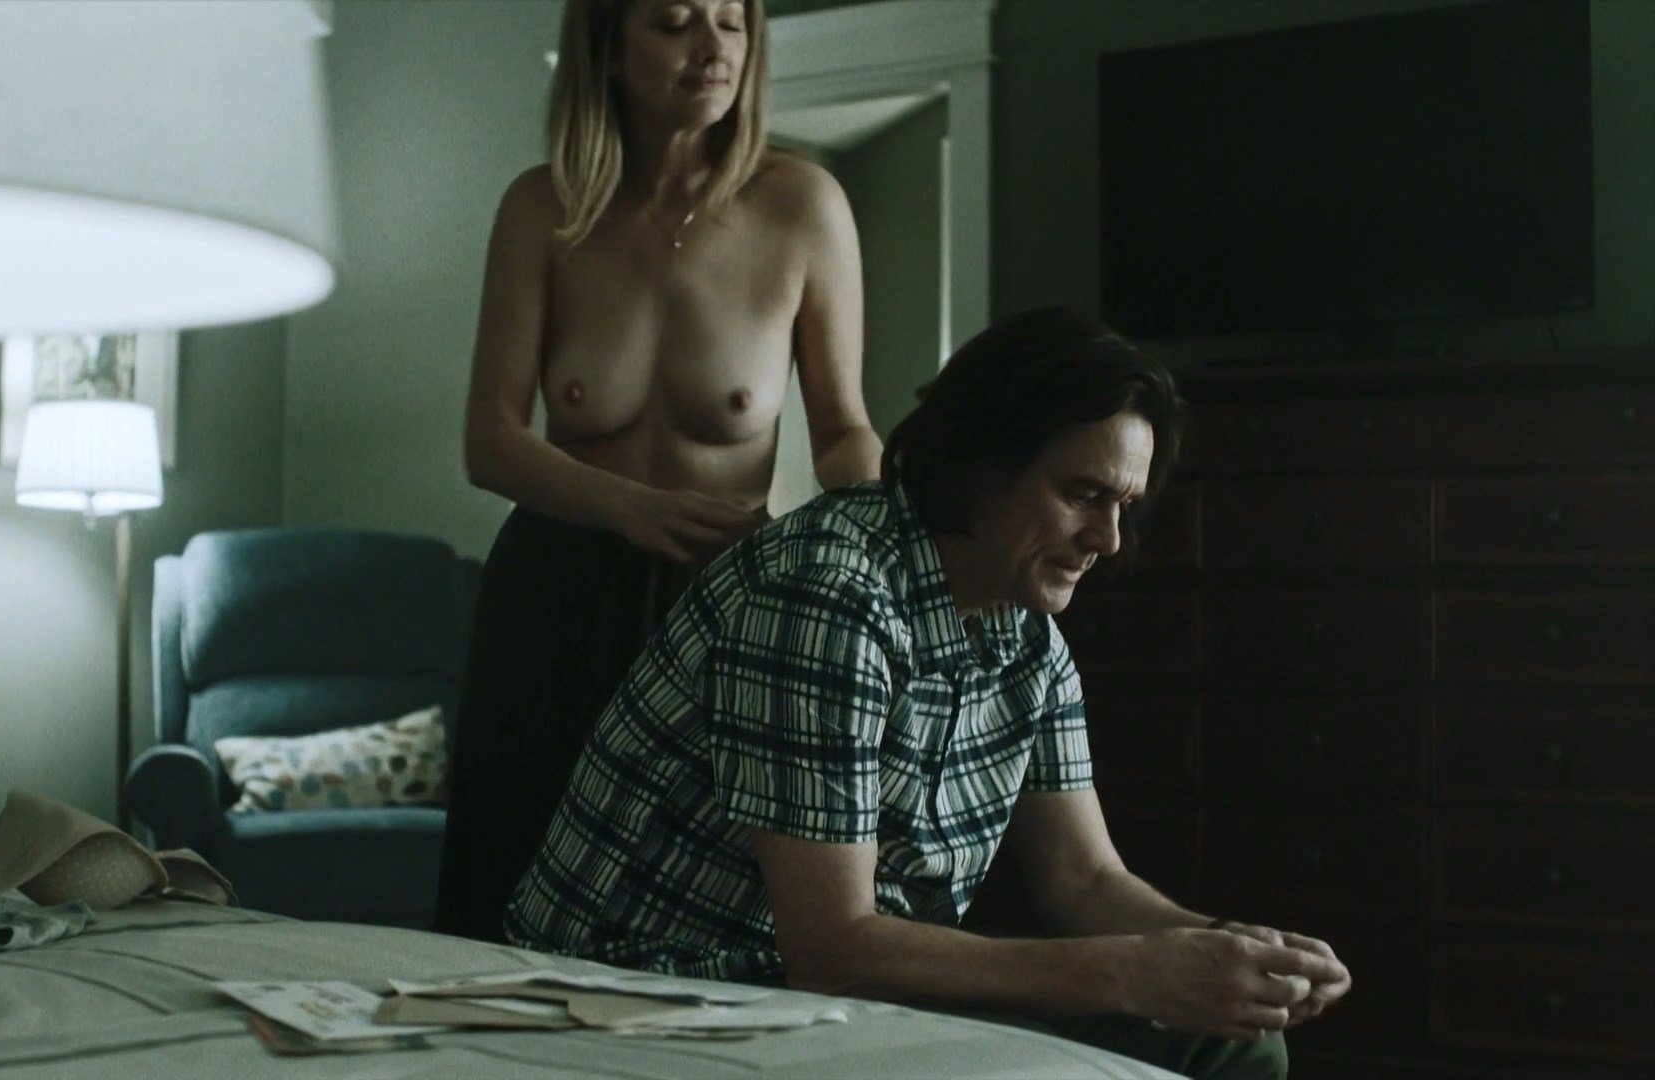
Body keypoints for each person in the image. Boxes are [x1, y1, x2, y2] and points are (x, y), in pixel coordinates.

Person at [505, 307, 1351, 1080]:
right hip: (654, 987)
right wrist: (1132, 972)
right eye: (1083, 495)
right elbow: (832, 948)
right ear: (984, 461)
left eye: (1124, 505)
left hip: (824, 982)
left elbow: (1085, 881)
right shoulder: (826, 595)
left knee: (1236, 1039)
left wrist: (1231, 951)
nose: (1108, 539)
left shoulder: (1028, 635)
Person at [435, 0, 883, 944]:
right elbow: (491, 440)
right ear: (608, 45)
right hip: (552, 592)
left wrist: (881, 527)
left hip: (716, 599)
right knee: (505, 881)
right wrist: (627, 506)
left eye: (731, 21)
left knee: (687, 902)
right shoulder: (543, 207)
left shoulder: (803, 205)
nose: (712, 47)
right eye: (676, 21)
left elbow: (844, 428)